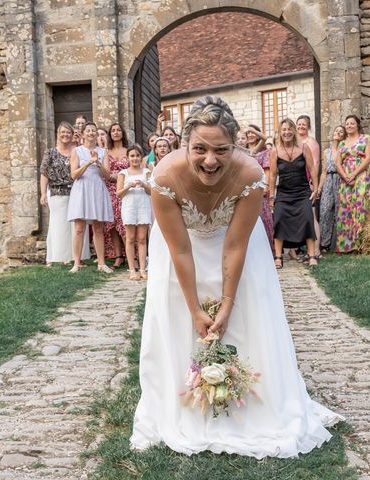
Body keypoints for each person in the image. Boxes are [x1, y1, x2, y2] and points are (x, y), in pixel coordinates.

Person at [131, 95, 342, 458]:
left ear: (236, 146)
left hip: (239, 248)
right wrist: (196, 307)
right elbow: (180, 250)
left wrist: (227, 304)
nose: (210, 160)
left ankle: (254, 401)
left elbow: (234, 247)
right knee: (182, 319)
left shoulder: (250, 176)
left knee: (246, 319)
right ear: (185, 145)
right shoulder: (164, 177)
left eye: (221, 150)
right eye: (199, 149)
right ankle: (182, 401)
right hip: (180, 249)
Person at [269, 118, 319, 268]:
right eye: (284, 129)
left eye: (290, 129)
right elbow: (272, 175)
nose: (287, 132)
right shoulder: (275, 151)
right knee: (279, 221)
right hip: (283, 193)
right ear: (280, 132)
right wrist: (272, 196)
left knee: (308, 219)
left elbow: (312, 169)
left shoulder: (304, 148)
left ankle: (312, 256)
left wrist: (315, 189)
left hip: (302, 192)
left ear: (294, 131)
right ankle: (278, 257)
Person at [40, 122, 91, 266]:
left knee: (77, 225)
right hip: (56, 192)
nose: (65, 135)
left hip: (76, 191)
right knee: (58, 225)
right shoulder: (50, 152)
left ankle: (75, 257)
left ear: (72, 134)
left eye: (68, 132)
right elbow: (44, 174)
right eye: (62, 132)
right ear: (58, 133)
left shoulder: (77, 151)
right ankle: (55, 256)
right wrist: (43, 193)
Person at [67, 122, 114, 273]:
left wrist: (98, 162)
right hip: (82, 189)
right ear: (83, 134)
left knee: (98, 228)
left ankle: (101, 263)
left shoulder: (103, 151)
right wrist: (88, 162)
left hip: (97, 188)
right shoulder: (77, 151)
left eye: (94, 130)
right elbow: (74, 175)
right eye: (88, 130)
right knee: (79, 228)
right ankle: (76, 263)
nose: (91, 133)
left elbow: (107, 176)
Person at [334, 115, 370, 253]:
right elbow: (337, 163)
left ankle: (359, 244)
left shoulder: (365, 138)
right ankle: (346, 245)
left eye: (352, 123)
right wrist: (345, 176)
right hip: (345, 176)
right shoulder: (341, 143)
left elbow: (368, 158)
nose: (349, 126)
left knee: (359, 205)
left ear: (357, 125)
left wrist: (354, 174)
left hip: (360, 174)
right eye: (347, 124)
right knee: (345, 207)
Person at [117, 145, 152, 280]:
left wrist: (144, 185)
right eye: (132, 156)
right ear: (128, 158)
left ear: (141, 157)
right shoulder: (123, 173)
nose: (135, 158)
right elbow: (119, 194)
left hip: (143, 206)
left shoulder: (146, 172)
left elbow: (151, 192)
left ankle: (143, 269)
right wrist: (128, 186)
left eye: (137, 155)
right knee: (130, 238)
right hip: (129, 207)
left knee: (142, 238)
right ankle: (132, 269)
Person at [103, 122, 129, 268]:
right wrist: (117, 175)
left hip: (125, 190)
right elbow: (106, 173)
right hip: (110, 190)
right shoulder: (106, 153)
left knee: (124, 222)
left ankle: (131, 255)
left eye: (118, 130)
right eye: (113, 130)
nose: (116, 132)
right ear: (110, 134)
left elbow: (134, 168)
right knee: (112, 224)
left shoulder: (128, 150)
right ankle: (119, 256)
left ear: (122, 133)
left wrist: (118, 176)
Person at [316, 125, 346, 252]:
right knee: (324, 210)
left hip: (340, 180)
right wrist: (319, 188)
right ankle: (324, 243)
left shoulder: (345, 150)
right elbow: (323, 171)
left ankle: (338, 244)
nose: (338, 133)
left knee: (339, 211)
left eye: (341, 131)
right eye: (336, 130)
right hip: (328, 179)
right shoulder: (326, 152)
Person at [297, 115, 322, 256]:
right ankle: (304, 249)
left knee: (311, 216)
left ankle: (316, 249)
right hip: (297, 183)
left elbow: (315, 164)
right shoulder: (296, 143)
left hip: (307, 183)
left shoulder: (311, 143)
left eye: (304, 124)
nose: (301, 127)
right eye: (299, 124)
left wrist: (313, 183)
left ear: (308, 126)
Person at [246, 124, 273, 249]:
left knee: (265, 218)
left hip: (260, 188)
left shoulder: (263, 153)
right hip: (246, 190)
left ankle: (268, 249)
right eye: (248, 133)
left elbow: (267, 171)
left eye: (253, 133)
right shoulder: (243, 151)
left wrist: (265, 186)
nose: (250, 135)